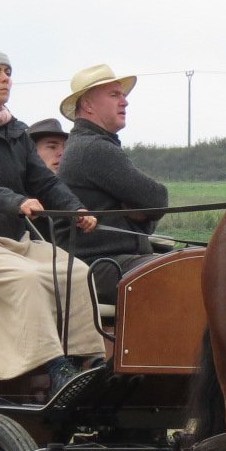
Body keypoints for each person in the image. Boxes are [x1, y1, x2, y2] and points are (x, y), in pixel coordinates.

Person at [0, 48, 104, 390]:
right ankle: (55, 367)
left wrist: (76, 210)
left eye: (7, 71)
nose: (5, 79)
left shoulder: (15, 131)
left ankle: (87, 361)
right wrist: (15, 202)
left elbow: (43, 180)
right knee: (27, 278)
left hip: (17, 241)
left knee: (77, 272)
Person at [56, 63, 170, 302]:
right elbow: (158, 200)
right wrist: (136, 215)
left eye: (123, 95)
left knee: (195, 263)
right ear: (87, 104)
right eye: (114, 95)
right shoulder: (93, 148)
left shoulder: (93, 144)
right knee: (185, 274)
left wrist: (139, 219)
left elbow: (149, 208)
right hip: (98, 267)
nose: (125, 101)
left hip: (114, 261)